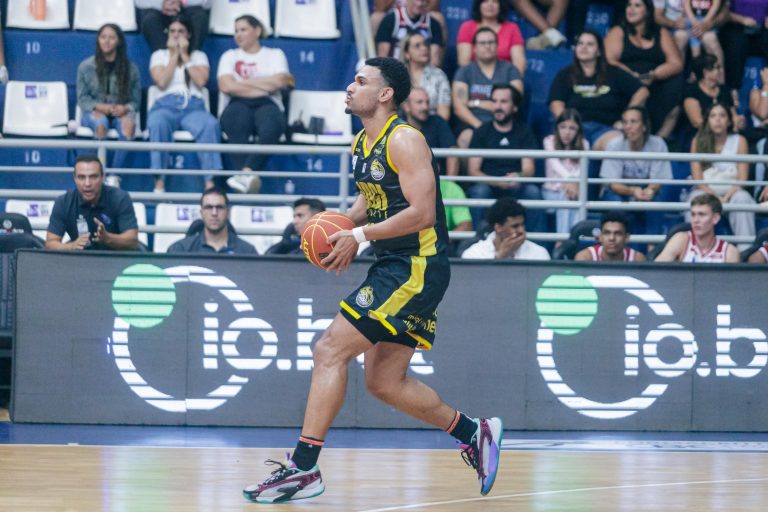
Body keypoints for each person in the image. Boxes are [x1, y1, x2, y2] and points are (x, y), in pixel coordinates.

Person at [243, 57, 502, 503]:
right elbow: (372, 200)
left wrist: (359, 236)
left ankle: (303, 469)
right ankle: (475, 433)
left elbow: (422, 213)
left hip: (417, 266)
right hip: (393, 263)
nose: (350, 87)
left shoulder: (406, 140)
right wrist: (341, 227)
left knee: (329, 350)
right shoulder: (362, 142)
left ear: (385, 94)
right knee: (384, 383)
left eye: (360, 81)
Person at [217, 15, 294, 194]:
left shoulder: (275, 54)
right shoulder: (229, 56)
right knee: (235, 121)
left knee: (271, 125)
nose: (238, 34)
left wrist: (241, 84)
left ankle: (245, 173)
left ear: (257, 31)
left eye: (243, 29)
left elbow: (281, 81)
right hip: (237, 103)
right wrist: (264, 85)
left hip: (268, 102)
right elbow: (226, 86)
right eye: (236, 31)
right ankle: (247, 176)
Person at [147, 16, 223, 193]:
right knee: (157, 123)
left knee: (210, 125)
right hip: (165, 106)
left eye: (181, 31)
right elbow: (161, 82)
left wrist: (185, 56)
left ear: (188, 35)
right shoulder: (159, 55)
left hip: (193, 106)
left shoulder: (198, 56)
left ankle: (210, 183)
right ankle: (159, 182)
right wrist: (174, 55)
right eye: (172, 31)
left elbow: (201, 81)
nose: (176, 35)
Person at [549, 30, 649, 150]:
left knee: (617, 143)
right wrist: (568, 127)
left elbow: (642, 92)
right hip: (576, 130)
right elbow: (556, 104)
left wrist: (625, 119)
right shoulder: (565, 74)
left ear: (599, 51)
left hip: (606, 130)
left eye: (590, 44)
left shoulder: (614, 73)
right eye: (580, 43)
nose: (584, 47)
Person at [467, 84, 545, 233]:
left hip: (515, 186)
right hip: (489, 185)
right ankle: (477, 241)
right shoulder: (482, 132)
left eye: (503, 102)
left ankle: (538, 244)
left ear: (514, 107)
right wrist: (497, 182)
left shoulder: (524, 132)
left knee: (532, 192)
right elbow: (473, 171)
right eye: (494, 101)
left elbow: (528, 169)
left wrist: (518, 176)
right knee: (479, 192)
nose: (498, 106)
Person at [604, 0, 684, 138]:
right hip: (625, 81)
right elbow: (609, 60)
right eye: (629, 5)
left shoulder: (661, 32)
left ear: (647, 11)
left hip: (654, 80)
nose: (631, 9)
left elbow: (676, 63)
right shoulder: (618, 31)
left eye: (637, 5)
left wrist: (653, 75)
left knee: (677, 83)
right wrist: (631, 75)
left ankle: (661, 137)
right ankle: (626, 126)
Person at [402, 88, 473, 234]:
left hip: (440, 183)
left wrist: (450, 184)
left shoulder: (437, 122)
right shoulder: (398, 127)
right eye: (420, 102)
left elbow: (452, 152)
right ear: (407, 106)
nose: (425, 107)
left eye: (427, 102)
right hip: (408, 184)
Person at [688, 103, 755, 246]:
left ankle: (746, 251)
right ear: (707, 121)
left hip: (732, 192)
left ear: (729, 121)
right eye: (713, 116)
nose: (717, 120)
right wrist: (716, 198)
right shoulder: (697, 141)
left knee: (743, 199)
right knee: (694, 199)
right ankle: (695, 249)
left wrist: (726, 197)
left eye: (722, 116)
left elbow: (742, 179)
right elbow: (698, 180)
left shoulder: (739, 140)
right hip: (706, 191)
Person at [599, 105, 672, 235]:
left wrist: (650, 190)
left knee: (656, 203)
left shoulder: (658, 144)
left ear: (644, 126)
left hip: (646, 189)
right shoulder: (614, 145)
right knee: (615, 203)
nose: (628, 127)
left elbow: (657, 180)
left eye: (633, 122)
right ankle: (618, 244)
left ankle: (653, 245)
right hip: (619, 191)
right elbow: (614, 184)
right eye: (625, 122)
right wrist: (632, 191)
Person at [45, 155, 138, 251]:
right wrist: (72, 246)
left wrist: (108, 238)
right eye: (81, 177)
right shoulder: (64, 202)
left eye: (93, 177)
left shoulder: (120, 198)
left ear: (102, 177)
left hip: (115, 257)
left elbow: (132, 240)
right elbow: (51, 243)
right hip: (80, 258)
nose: (87, 183)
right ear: (75, 178)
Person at [452, 27, 525, 149]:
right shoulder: (464, 72)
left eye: (491, 42)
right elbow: (459, 108)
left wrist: (475, 103)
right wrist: (481, 127)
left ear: (497, 45)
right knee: (465, 137)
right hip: (473, 124)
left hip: (505, 123)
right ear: (474, 48)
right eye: (482, 43)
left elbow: (514, 101)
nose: (487, 46)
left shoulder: (511, 70)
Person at [76, 24, 141, 143]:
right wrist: (99, 106)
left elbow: (136, 101)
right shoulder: (86, 67)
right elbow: (82, 99)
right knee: (101, 124)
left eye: (111, 38)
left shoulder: (131, 69)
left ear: (119, 42)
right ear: (98, 40)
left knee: (128, 126)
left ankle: (118, 157)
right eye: (103, 37)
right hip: (94, 111)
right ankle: (100, 156)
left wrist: (125, 108)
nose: (106, 41)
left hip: (120, 111)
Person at [167, 187, 256, 254]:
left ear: (228, 212)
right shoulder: (181, 249)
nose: (214, 213)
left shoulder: (247, 251)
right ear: (201, 213)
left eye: (219, 207)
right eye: (209, 207)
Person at [543, 108, 589, 234]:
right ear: (557, 127)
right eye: (563, 127)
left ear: (578, 130)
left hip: (575, 192)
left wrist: (571, 183)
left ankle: (574, 237)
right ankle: (564, 239)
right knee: (567, 194)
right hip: (550, 193)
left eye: (572, 128)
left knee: (571, 195)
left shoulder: (584, 144)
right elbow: (555, 164)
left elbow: (581, 170)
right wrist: (570, 181)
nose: (567, 132)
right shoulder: (549, 141)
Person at [655, 192, 740, 262]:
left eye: (701, 214)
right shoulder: (681, 240)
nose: (696, 220)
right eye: (693, 215)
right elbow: (657, 271)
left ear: (715, 218)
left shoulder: (729, 252)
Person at [461, 197, 551, 259]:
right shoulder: (474, 254)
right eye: (515, 226)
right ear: (498, 228)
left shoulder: (538, 253)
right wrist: (500, 257)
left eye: (522, 224)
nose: (521, 230)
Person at [456, 0, 527, 77]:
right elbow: (464, 62)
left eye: (495, 1)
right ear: (479, 5)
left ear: (500, 5)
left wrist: (513, 81)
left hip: (505, 79)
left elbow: (519, 64)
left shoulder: (512, 28)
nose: (490, 5)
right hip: (474, 79)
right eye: (485, 1)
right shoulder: (467, 27)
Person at [719, 0, 768, 104]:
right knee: (736, 42)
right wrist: (742, 19)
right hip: (736, 27)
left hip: (761, 30)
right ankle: (733, 90)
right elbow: (723, 13)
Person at [682, 53, 735, 141]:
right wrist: (719, 128)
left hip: (725, 136)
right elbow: (696, 122)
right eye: (717, 68)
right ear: (706, 72)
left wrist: (737, 121)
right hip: (699, 137)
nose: (721, 71)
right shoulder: (691, 91)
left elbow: (732, 115)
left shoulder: (724, 90)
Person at [375, 0, 445, 67]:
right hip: (395, 70)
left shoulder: (432, 23)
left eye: (423, 1)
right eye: (417, 0)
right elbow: (382, 58)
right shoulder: (391, 19)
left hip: (424, 71)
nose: (419, 4)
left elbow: (435, 61)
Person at [400, 32, 451, 121]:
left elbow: (444, 113)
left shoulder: (439, 75)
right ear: (406, 53)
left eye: (426, 44)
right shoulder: (399, 76)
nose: (424, 48)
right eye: (417, 46)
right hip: (403, 125)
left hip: (433, 125)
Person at [135, 0, 211, 52]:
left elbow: (206, 3)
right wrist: (163, 2)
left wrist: (180, 1)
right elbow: (140, 2)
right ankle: (165, 62)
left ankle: (190, 62)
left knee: (200, 17)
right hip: (157, 10)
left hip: (189, 9)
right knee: (150, 19)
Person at [575, 212, 647, 260]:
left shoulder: (637, 259)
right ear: (600, 237)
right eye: (607, 233)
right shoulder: (586, 258)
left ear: (626, 238)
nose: (612, 238)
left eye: (618, 233)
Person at [682, 0, 724, 70]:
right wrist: (693, 21)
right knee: (695, 50)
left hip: (708, 20)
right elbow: (686, 4)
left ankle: (719, 72)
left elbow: (715, 6)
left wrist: (704, 23)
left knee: (710, 39)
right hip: (692, 21)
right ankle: (696, 72)